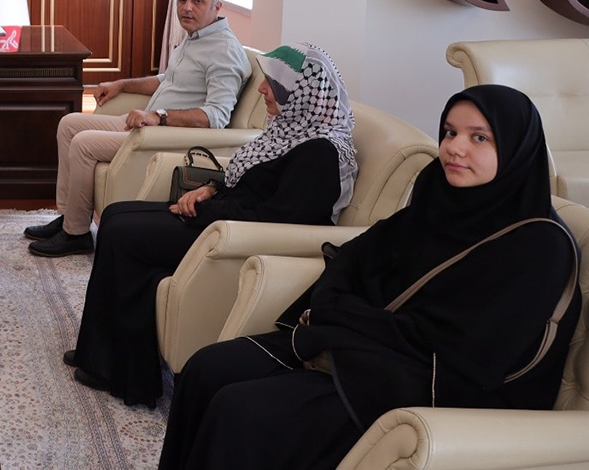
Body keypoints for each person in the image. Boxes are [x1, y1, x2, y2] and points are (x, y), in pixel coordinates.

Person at [158, 84, 582, 470]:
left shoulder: (539, 246)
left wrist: (342, 317)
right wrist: (337, 306)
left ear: (516, 148)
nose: (455, 148)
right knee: (206, 368)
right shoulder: (438, 194)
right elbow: (357, 254)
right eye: (450, 132)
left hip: (428, 387)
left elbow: (464, 349)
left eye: (479, 138)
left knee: (242, 412)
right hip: (360, 345)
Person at [65, 43, 358, 408]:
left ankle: (116, 369)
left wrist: (208, 211)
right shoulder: (289, 130)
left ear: (301, 94)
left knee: (124, 234)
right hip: (221, 214)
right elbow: (251, 179)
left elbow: (277, 220)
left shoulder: (320, 154)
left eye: (272, 85)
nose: (262, 90)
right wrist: (210, 188)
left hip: (234, 235)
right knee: (115, 215)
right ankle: (102, 355)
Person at [27, 0, 251, 256]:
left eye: (198, 1)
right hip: (148, 124)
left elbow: (217, 116)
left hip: (167, 136)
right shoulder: (196, 36)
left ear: (217, 6)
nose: (187, 8)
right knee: (69, 124)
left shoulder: (224, 51)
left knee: (83, 143)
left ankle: (76, 235)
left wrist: (159, 116)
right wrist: (121, 84)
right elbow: (167, 80)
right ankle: (68, 217)